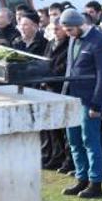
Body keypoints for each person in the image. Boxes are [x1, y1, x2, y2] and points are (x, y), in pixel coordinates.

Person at [60, 8, 102, 198]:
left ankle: (95, 182)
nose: (68, 34)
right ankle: (81, 178)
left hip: (89, 100)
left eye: (70, 30)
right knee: (74, 141)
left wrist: (97, 104)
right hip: (72, 98)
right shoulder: (74, 39)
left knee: (90, 141)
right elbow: (70, 68)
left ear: (79, 25)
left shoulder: (100, 41)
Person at [40, 17, 70, 171]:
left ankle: (66, 159)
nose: (55, 32)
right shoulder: (51, 43)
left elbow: (64, 66)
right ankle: (55, 156)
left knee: (62, 128)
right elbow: (45, 61)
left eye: (57, 29)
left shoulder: (69, 44)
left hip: (59, 88)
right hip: (48, 88)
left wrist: (49, 75)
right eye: (52, 29)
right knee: (52, 128)